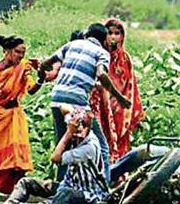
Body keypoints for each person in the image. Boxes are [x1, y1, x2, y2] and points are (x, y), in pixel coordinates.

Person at [39, 23, 132, 184]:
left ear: (87, 34)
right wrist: (120, 98)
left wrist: (41, 76)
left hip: (56, 99)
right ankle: (104, 186)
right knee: (102, 145)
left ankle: (60, 186)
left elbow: (45, 64)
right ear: (104, 40)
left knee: (62, 143)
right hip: (77, 102)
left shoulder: (71, 45)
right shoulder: (102, 53)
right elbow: (102, 74)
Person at [0, 108, 109, 204]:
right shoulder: (77, 132)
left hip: (88, 193)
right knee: (26, 182)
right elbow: (63, 107)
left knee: (66, 194)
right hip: (67, 185)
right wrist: (72, 115)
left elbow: (55, 158)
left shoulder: (89, 148)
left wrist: (68, 133)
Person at [0, 35, 44, 194]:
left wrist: (41, 78)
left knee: (16, 158)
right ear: (7, 51)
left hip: (13, 116)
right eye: (17, 52)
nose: (20, 56)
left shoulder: (23, 67)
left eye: (23, 53)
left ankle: (13, 192)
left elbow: (31, 89)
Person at [90, 18, 145, 163]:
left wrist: (132, 112)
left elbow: (131, 86)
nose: (113, 37)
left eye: (117, 33)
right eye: (110, 33)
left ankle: (119, 178)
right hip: (101, 106)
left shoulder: (125, 58)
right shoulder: (99, 55)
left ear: (122, 36)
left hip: (121, 110)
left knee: (120, 144)